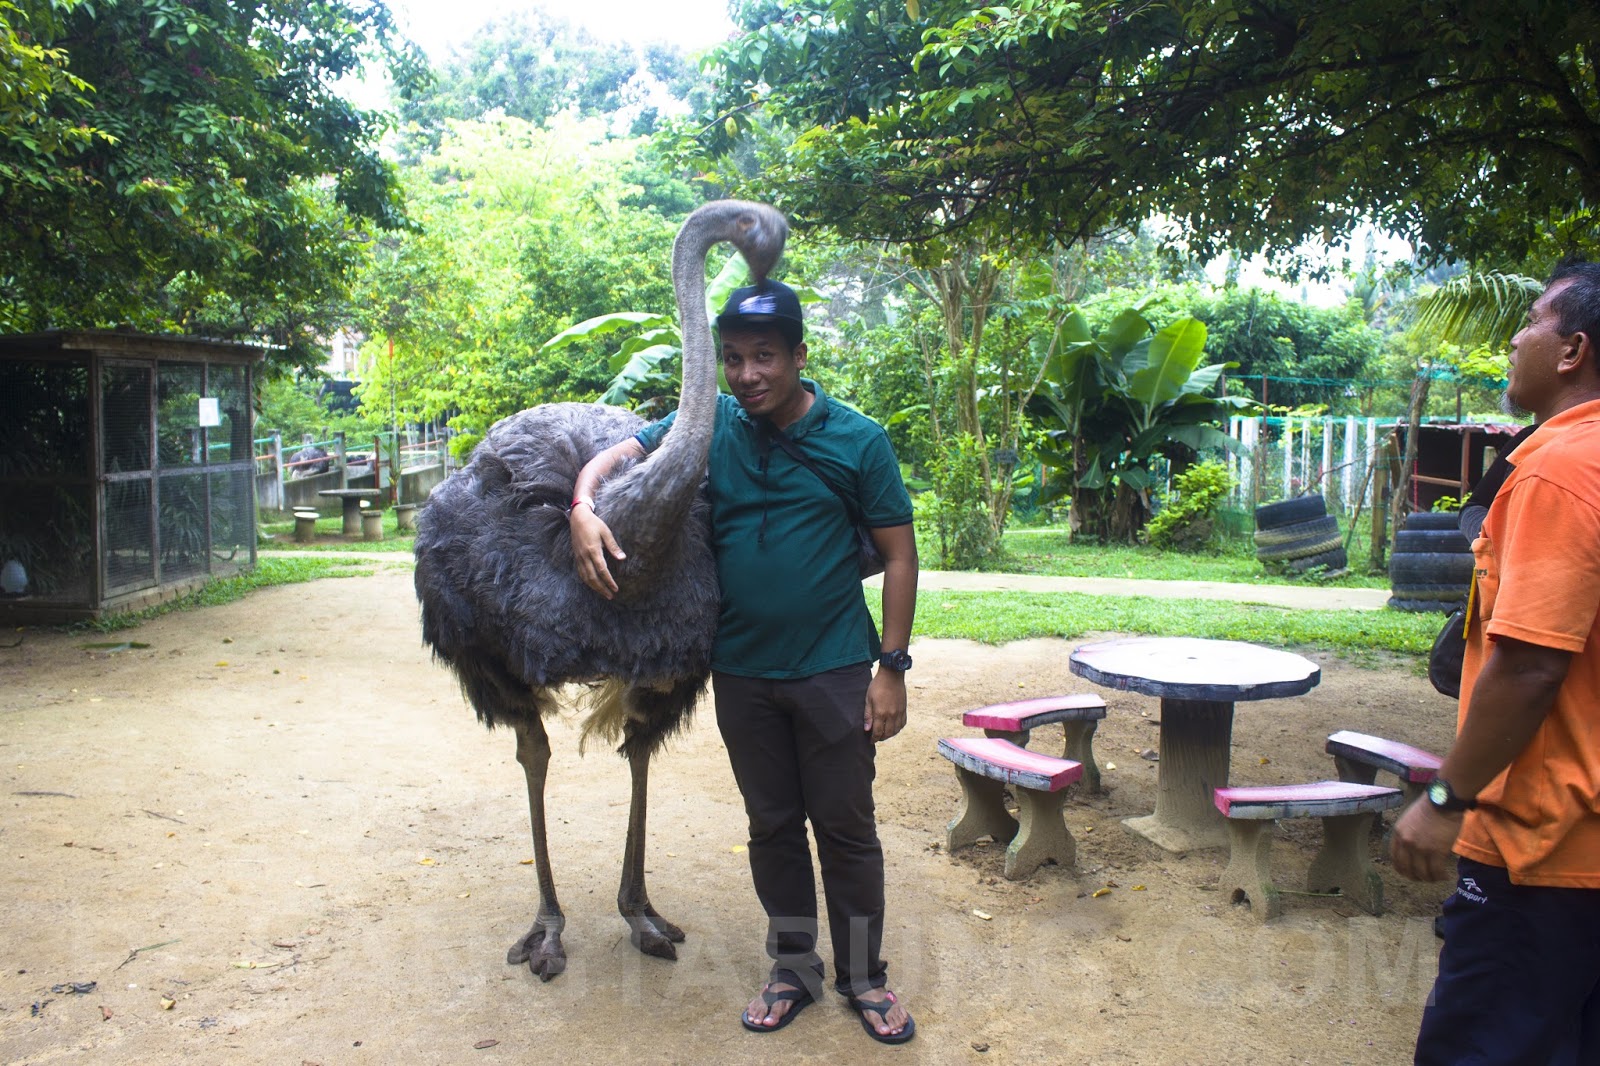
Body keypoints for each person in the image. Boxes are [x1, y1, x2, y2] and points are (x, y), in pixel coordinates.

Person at [569, 279, 920, 1044]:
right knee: (772, 827)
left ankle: (865, 977)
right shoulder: (709, 424)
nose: (747, 374)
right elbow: (614, 456)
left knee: (846, 830)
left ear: (799, 355)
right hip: (743, 673)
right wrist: (582, 507)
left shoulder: (858, 440)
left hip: (833, 669)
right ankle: (793, 969)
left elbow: (899, 555)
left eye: (764, 356)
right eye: (732, 358)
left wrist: (891, 667)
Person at [1391, 260, 1600, 1065]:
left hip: (1541, 845)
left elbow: (1529, 666)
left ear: (1573, 350)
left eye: (1535, 320)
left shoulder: (1560, 468)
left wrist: (1447, 797)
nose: (1516, 337)